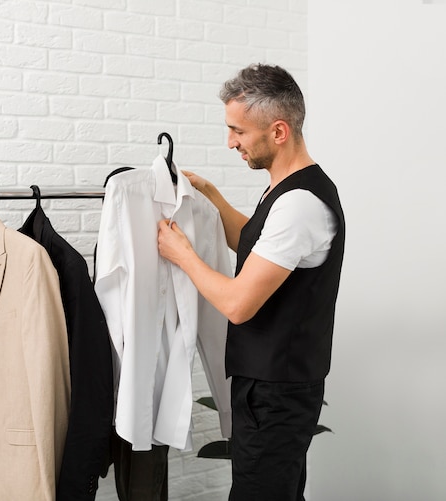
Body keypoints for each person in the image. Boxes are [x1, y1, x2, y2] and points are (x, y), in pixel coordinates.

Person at [157, 63, 345, 501]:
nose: (231, 142)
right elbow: (255, 244)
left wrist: (182, 255)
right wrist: (211, 197)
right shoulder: (288, 189)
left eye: (237, 131)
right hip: (272, 387)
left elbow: (239, 304)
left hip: (275, 393)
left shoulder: (299, 204)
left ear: (278, 131)